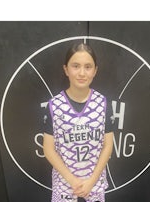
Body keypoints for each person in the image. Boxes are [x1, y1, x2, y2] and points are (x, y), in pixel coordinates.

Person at [43, 43, 114, 202]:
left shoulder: (102, 103)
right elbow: (48, 148)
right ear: (66, 69)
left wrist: (91, 181)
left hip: (94, 184)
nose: (82, 73)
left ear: (95, 70)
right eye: (76, 66)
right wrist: (73, 180)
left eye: (88, 67)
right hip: (65, 185)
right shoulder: (54, 106)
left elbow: (108, 145)